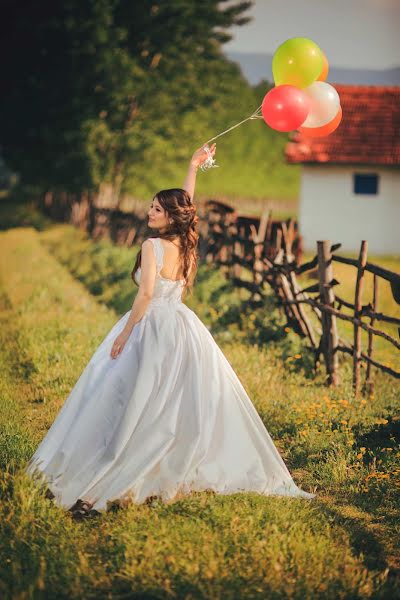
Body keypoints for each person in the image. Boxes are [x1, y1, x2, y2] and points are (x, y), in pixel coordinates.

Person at [25, 144, 315, 518]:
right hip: (181, 326)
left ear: (170, 217)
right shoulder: (185, 243)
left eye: (156, 209)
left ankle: (113, 465)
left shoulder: (152, 246)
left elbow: (145, 294)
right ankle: (157, 456)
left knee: (129, 395)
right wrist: (192, 167)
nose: (149, 212)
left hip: (151, 326)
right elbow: (187, 203)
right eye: (151, 207)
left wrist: (125, 333)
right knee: (167, 399)